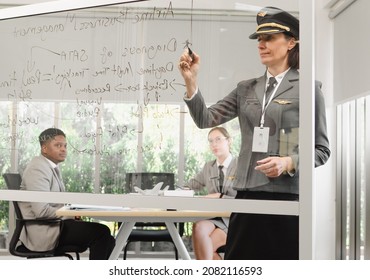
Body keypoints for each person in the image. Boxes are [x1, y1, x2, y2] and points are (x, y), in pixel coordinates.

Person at [178, 6, 330, 260]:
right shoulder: (245, 89)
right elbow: (206, 119)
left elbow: (321, 150)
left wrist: (289, 161)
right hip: (246, 198)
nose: (261, 43)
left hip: (287, 200)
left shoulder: (308, 89)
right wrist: (191, 81)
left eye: (269, 38)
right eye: (259, 39)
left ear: (292, 42)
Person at [19, 128, 115, 260]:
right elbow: (40, 211)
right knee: (102, 233)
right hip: (45, 231)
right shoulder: (38, 168)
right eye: (58, 145)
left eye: (65, 146)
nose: (63, 149)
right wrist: (69, 213)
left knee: (109, 239)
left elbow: (57, 203)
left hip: (55, 224)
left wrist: (71, 212)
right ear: (44, 149)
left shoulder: (50, 167)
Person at [184, 127, 237, 260]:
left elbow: (246, 197)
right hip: (214, 217)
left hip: (234, 219)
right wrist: (179, 191)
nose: (214, 144)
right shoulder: (209, 167)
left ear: (229, 141)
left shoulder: (240, 165)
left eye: (218, 139)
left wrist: (220, 197)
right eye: (211, 141)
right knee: (198, 227)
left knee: (205, 249)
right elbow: (191, 185)